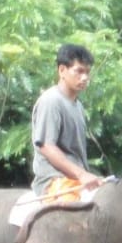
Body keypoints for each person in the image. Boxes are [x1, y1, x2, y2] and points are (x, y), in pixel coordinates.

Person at [30, 43, 100, 203]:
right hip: (54, 182)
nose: (85, 77)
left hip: (77, 180)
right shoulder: (51, 101)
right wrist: (82, 175)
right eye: (79, 71)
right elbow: (47, 147)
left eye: (87, 72)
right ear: (62, 70)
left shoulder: (78, 106)